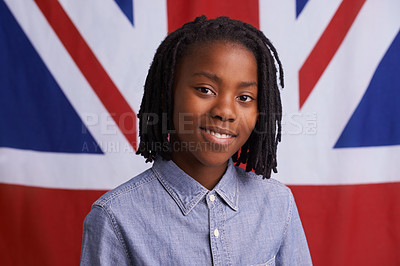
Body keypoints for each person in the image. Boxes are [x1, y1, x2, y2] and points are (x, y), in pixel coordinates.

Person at [80, 15, 312, 265]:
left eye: (244, 97)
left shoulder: (278, 204)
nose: (225, 111)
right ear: (166, 95)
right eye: (205, 90)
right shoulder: (116, 217)